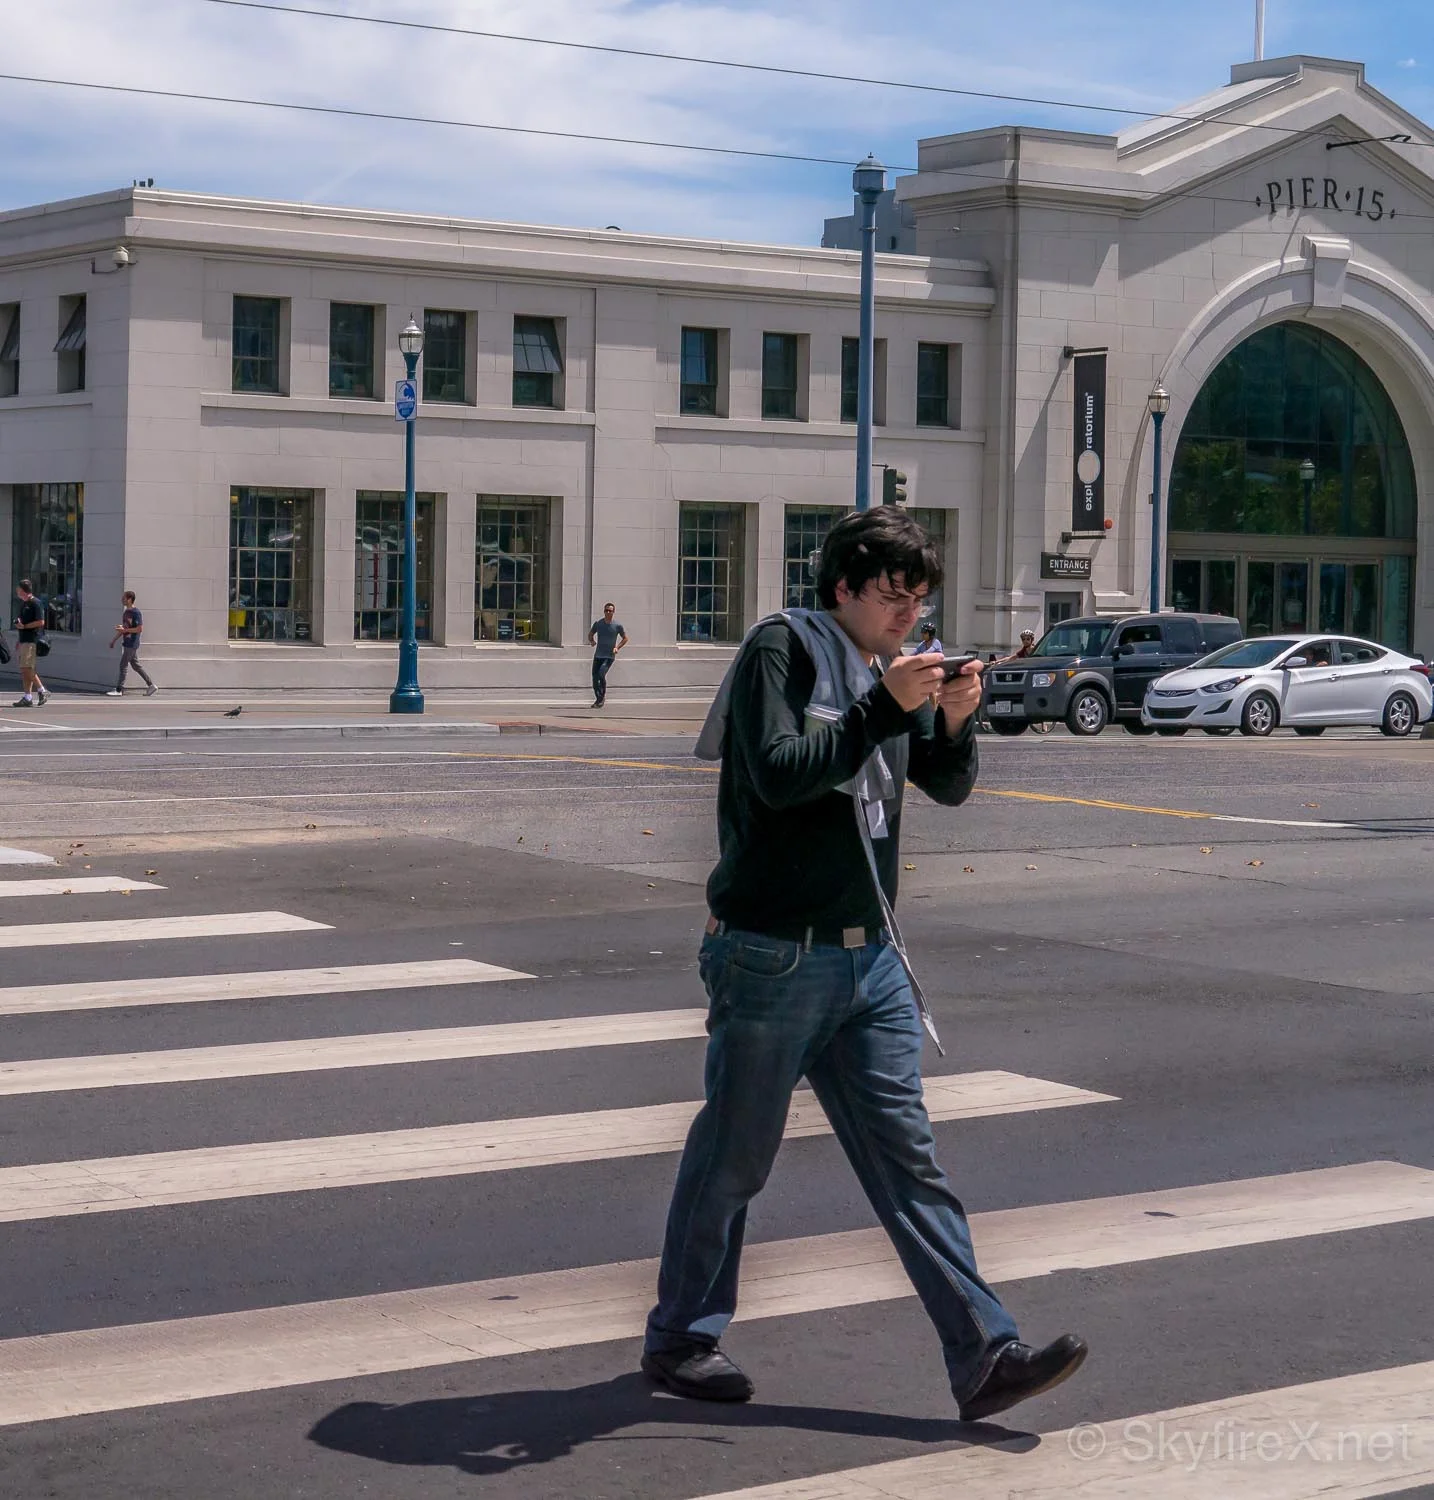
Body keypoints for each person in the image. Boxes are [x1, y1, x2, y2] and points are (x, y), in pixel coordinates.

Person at [641, 506, 1086, 1422]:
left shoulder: (895, 674)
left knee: (908, 1160)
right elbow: (778, 771)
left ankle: (985, 1352)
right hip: (772, 952)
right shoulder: (785, 651)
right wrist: (889, 704)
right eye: (893, 596)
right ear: (842, 586)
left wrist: (955, 721)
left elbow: (945, 785)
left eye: (920, 600)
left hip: (871, 958)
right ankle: (683, 1336)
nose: (909, 616)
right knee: (735, 1159)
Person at [107, 590, 158, 697]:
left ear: (130, 599)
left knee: (123, 665)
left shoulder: (136, 613)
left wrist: (125, 630)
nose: (122, 600)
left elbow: (139, 629)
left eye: (124, 598)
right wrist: (114, 640)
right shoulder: (126, 613)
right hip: (127, 642)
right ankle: (151, 685)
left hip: (132, 643)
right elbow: (125, 628)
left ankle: (119, 689)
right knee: (136, 666)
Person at [12, 579, 49, 708]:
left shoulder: (36, 603)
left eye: (18, 590)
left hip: (32, 640)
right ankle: (28, 696)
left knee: (27, 668)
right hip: (23, 640)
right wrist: (19, 627)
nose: (17, 592)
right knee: (25, 669)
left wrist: (25, 626)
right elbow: (22, 622)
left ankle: (42, 690)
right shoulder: (24, 604)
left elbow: (41, 622)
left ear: (23, 590)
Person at [586, 602, 628, 708]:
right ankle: (599, 699)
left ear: (613, 612)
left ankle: (602, 696)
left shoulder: (617, 626)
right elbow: (591, 634)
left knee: (601, 674)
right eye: (606, 610)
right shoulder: (598, 623)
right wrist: (592, 641)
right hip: (598, 655)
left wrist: (617, 647)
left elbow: (625, 638)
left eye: (610, 610)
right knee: (594, 678)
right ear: (604, 611)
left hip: (609, 656)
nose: (608, 612)